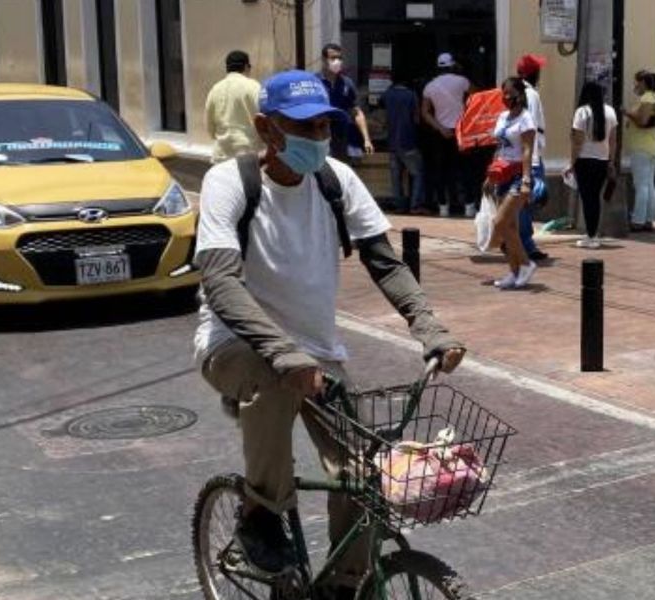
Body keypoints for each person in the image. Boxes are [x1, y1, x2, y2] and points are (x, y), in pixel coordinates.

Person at [193, 70, 465, 596]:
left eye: (324, 126)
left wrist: (428, 326)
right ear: (266, 129)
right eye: (304, 127)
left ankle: (345, 583)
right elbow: (221, 282)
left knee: (361, 475)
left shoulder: (336, 180)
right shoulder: (229, 183)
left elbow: (384, 261)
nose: (318, 138)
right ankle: (260, 517)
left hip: (316, 355)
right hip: (234, 345)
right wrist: (279, 350)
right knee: (273, 381)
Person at [486, 78, 538, 289]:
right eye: (503, 92)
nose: (505, 97)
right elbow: (499, 148)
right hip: (501, 174)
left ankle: (526, 263)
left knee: (499, 223)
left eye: (509, 93)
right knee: (510, 227)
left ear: (519, 94)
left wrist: (526, 180)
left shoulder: (526, 119)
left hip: (518, 175)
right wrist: (490, 175)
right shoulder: (502, 117)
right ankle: (514, 271)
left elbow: (527, 150)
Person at [566, 82, 619, 248]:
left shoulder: (582, 112)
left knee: (587, 198)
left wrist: (571, 162)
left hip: (584, 160)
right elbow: (613, 140)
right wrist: (611, 160)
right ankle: (593, 233)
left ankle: (591, 235)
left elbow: (577, 141)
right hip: (602, 161)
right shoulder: (610, 111)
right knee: (594, 198)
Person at [421, 52, 472, 217]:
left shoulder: (430, 86)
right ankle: (469, 206)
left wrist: (440, 128)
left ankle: (443, 207)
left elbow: (425, 112)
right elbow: (477, 97)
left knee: (441, 171)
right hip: (460, 131)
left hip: (440, 134)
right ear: (452, 65)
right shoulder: (463, 82)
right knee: (464, 169)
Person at [516, 54, 550, 261]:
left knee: (522, 200)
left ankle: (521, 241)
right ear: (533, 73)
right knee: (528, 199)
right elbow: (533, 127)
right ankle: (526, 244)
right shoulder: (531, 95)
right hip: (530, 155)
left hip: (517, 154)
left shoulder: (514, 92)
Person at [204, 50, 262, 163]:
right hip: (248, 156)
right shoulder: (254, 87)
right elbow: (264, 119)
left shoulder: (215, 89)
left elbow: (210, 127)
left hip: (221, 156)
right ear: (246, 66)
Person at [319, 43, 373, 164]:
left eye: (340, 58)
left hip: (341, 139)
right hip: (320, 137)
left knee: (340, 171)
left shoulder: (346, 83)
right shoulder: (315, 82)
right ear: (324, 60)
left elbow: (357, 112)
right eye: (333, 58)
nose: (337, 61)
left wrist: (366, 139)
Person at [625, 70, 655, 231]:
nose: (634, 86)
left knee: (641, 185)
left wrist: (626, 112)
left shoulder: (647, 97)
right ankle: (648, 219)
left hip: (642, 147)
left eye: (636, 82)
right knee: (648, 184)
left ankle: (638, 220)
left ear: (643, 83)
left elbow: (643, 120)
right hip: (651, 146)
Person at [380, 77, 424, 213]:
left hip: (392, 142)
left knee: (396, 177)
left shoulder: (387, 94)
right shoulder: (411, 95)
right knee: (418, 174)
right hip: (408, 141)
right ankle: (415, 205)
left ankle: (399, 206)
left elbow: (381, 113)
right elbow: (417, 118)